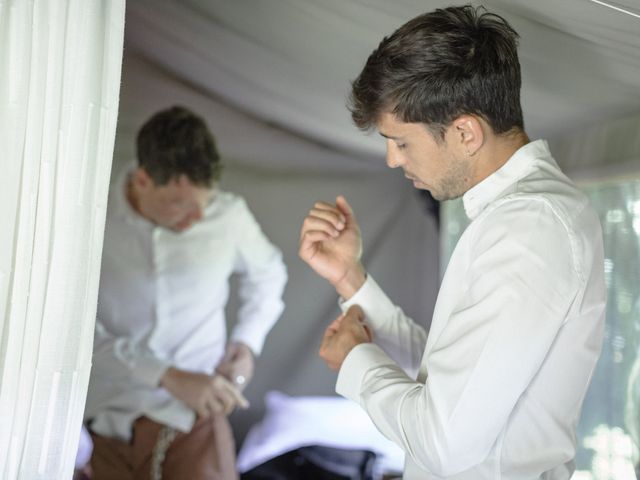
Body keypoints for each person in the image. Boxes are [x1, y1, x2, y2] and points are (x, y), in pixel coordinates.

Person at [299, 5, 606, 479]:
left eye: (401, 142)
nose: (391, 160)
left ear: (465, 132)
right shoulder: (518, 215)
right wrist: (351, 278)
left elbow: (444, 441)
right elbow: (451, 375)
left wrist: (356, 362)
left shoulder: (530, 227)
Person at [85, 106, 287, 479]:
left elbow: (269, 274)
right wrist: (166, 375)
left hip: (196, 426)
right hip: (106, 426)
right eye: (181, 204)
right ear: (143, 180)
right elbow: (72, 329)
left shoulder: (229, 216)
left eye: (204, 204)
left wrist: (246, 343)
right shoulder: (88, 216)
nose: (197, 219)